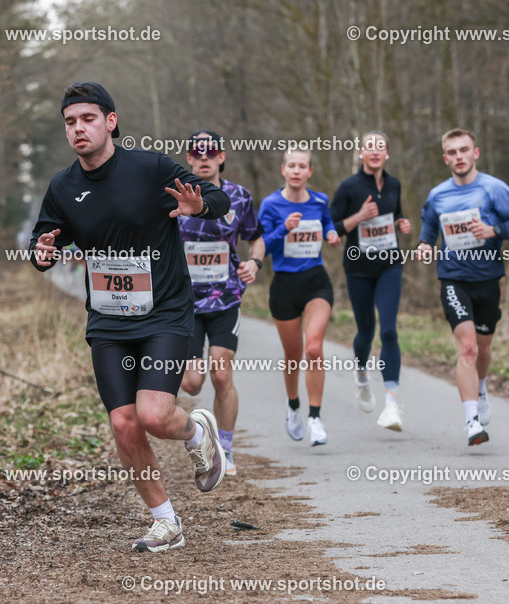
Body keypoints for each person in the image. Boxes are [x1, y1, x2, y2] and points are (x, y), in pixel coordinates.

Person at [30, 82, 232, 551]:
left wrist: (199, 205)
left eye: (87, 119)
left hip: (163, 311)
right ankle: (165, 521)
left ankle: (196, 429)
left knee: (155, 415)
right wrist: (41, 255)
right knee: (123, 422)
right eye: (70, 122)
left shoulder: (150, 167)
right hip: (107, 318)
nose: (78, 129)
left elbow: (215, 202)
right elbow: (45, 245)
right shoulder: (63, 186)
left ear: (110, 122)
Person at [416, 128, 509, 446]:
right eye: (452, 152)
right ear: (445, 158)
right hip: (453, 278)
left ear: (475, 153)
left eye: (464, 150)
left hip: (488, 279)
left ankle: (481, 389)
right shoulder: (438, 194)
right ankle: (471, 423)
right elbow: (428, 224)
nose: (459, 157)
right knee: (467, 347)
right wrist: (424, 244)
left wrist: (493, 229)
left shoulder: (494, 189)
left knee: (483, 347)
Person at [178, 130, 266, 476]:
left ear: (221, 156)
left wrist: (254, 263)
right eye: (196, 152)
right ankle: (203, 433)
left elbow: (256, 238)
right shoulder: (174, 194)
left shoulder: (239, 197)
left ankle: (225, 448)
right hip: (184, 302)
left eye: (210, 152)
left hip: (225, 297)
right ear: (188, 158)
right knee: (192, 383)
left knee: (220, 371)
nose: (203, 157)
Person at [258, 149, 341, 446]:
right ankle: (293, 404)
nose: (296, 171)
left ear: (310, 172)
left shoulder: (319, 201)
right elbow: (261, 246)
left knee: (314, 349)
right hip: (284, 287)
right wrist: (284, 229)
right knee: (293, 357)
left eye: (301, 166)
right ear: (283, 169)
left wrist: (331, 235)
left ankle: (315, 418)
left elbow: (328, 222)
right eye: (291, 165)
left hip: (316, 282)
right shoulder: (270, 204)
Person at [330, 131, 412, 431]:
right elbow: (333, 229)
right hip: (359, 270)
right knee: (366, 332)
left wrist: (402, 223)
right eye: (369, 147)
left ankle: (392, 405)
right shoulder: (349, 187)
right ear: (361, 153)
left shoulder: (394, 184)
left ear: (387, 154)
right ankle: (362, 374)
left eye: (381, 147)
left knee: (389, 331)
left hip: (390, 265)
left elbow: (397, 214)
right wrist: (359, 216)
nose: (375, 152)